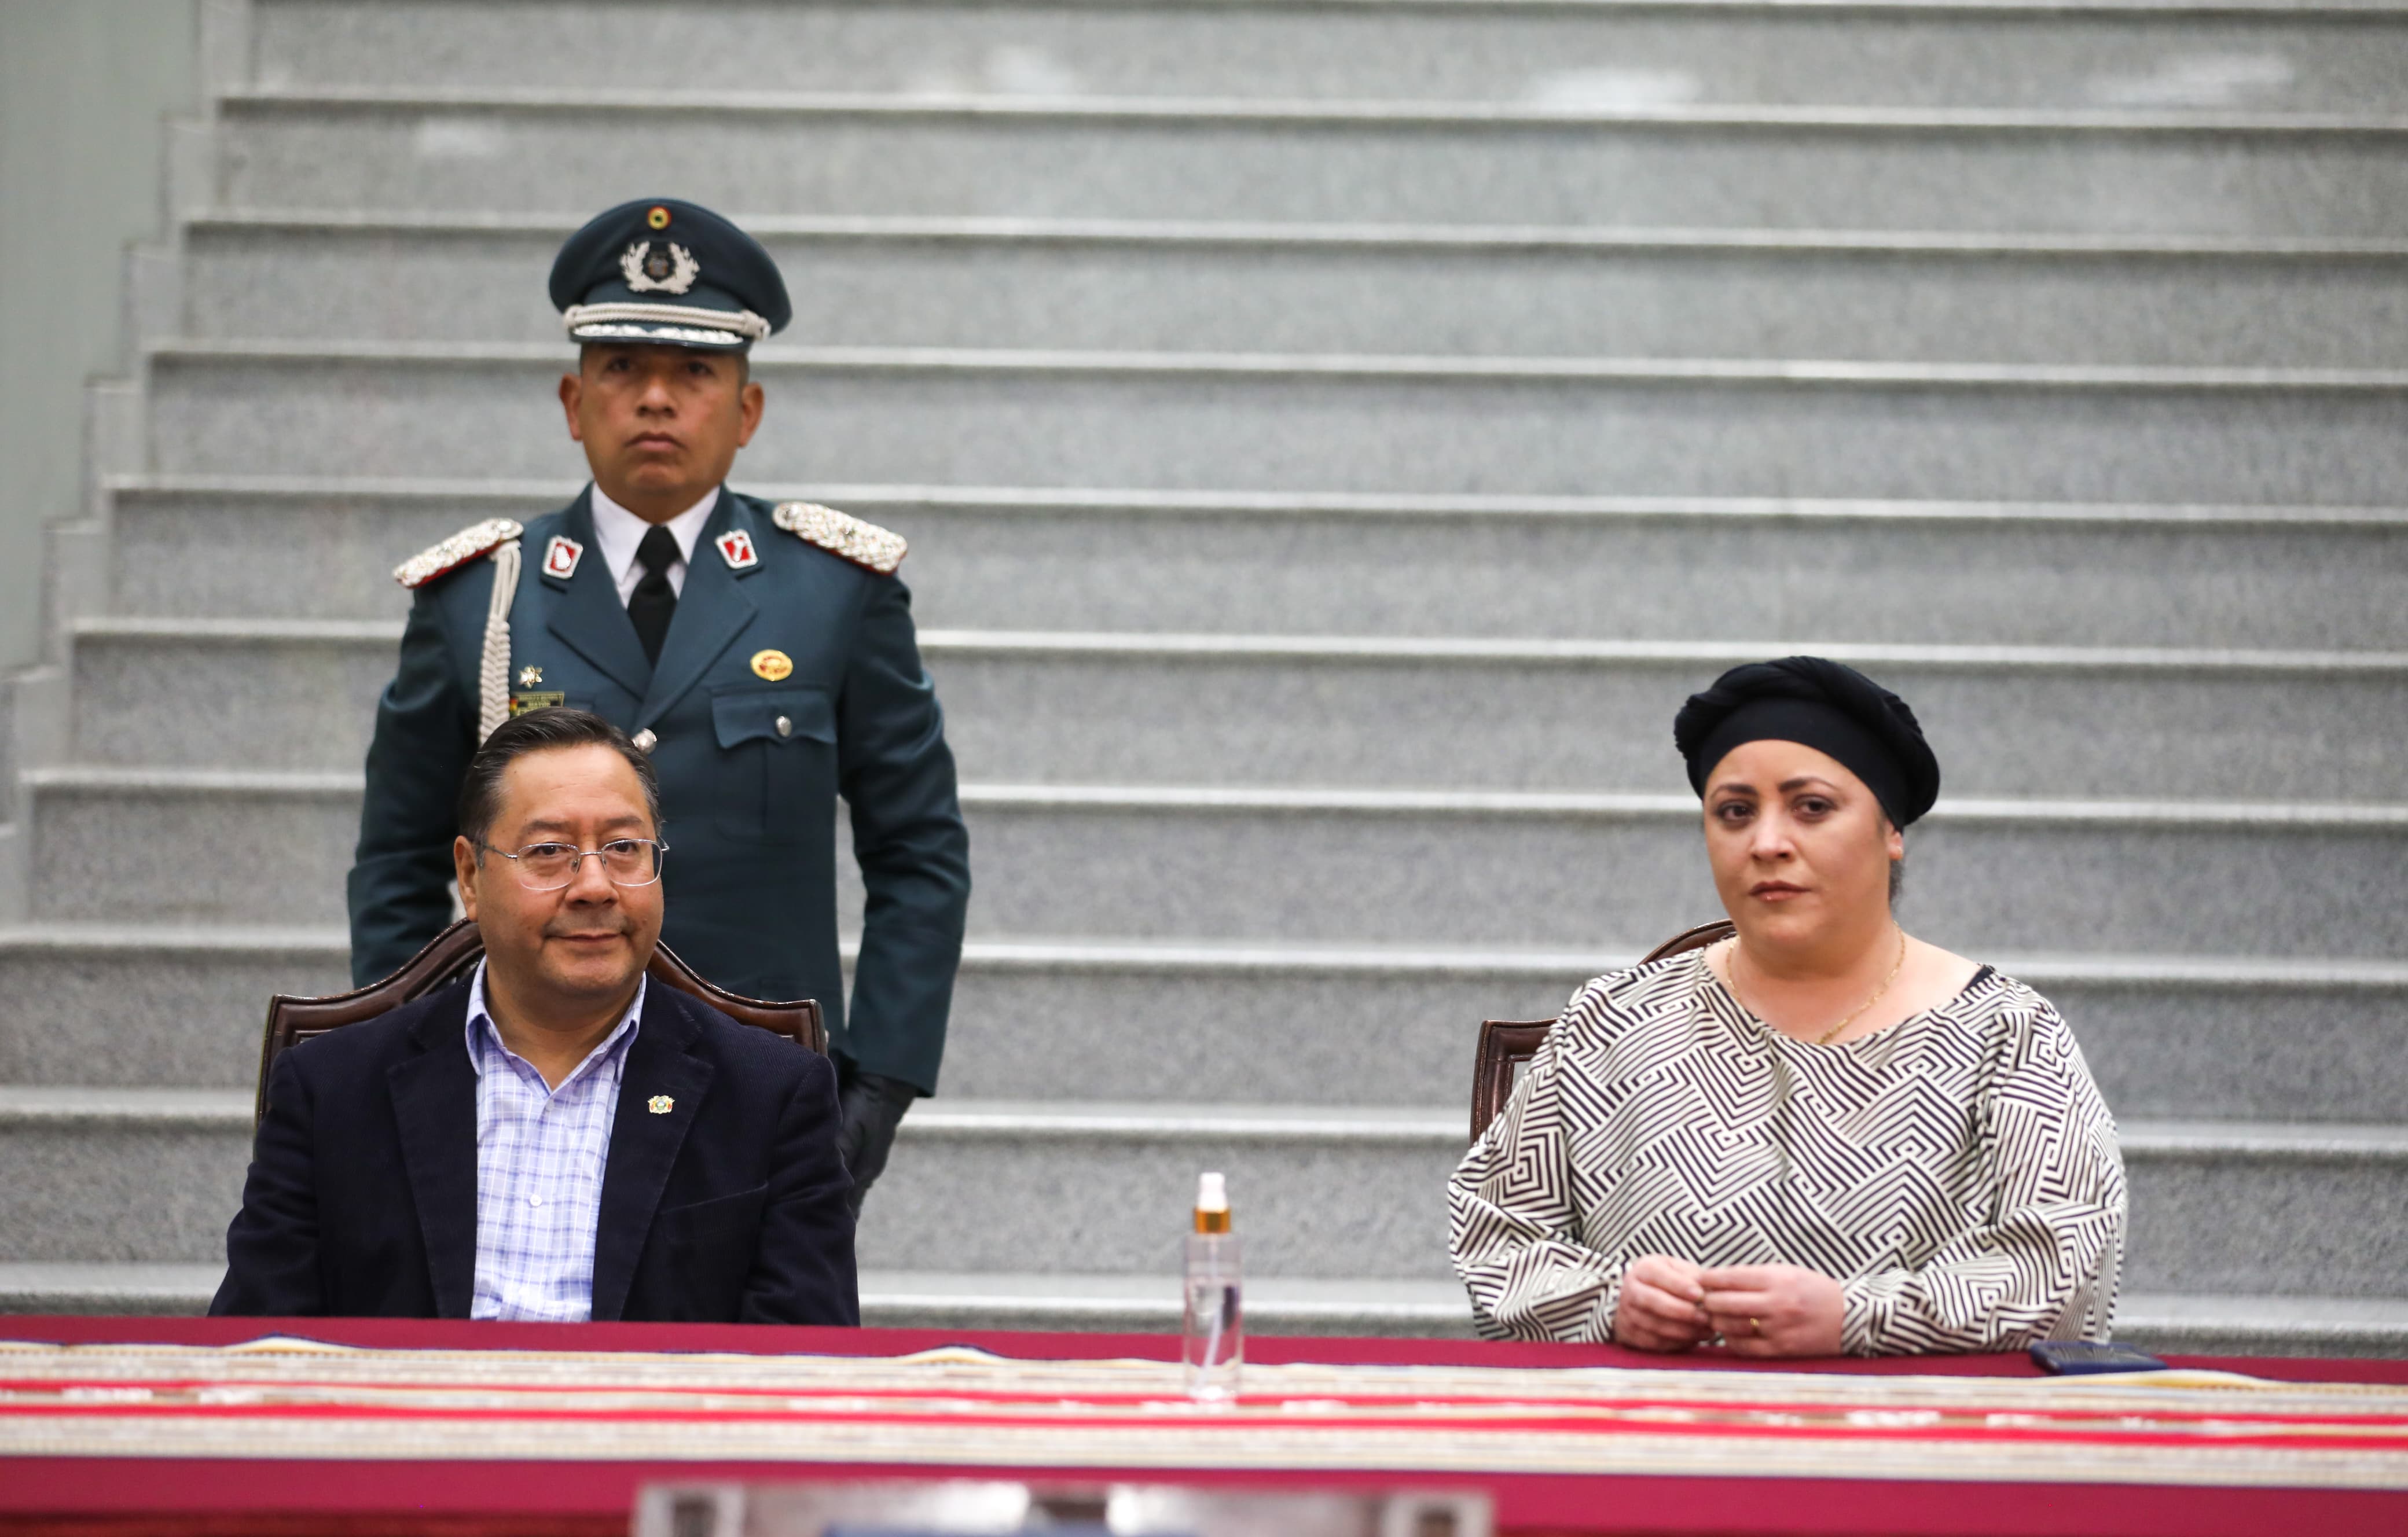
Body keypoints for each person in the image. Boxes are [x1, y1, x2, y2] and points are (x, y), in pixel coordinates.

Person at [347, 198, 971, 1214]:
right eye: (622, 368)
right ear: (573, 400)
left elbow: (919, 852)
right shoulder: (481, 599)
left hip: (765, 1089)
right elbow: (397, 856)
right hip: (526, 1081)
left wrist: (880, 1083)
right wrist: (414, 1049)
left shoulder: (833, 592)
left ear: (747, 411)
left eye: (694, 373)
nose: (655, 400)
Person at [1448, 657, 2126, 1356]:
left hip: (1912, 1416)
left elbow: (2064, 1274)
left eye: (1811, 807)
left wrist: (1858, 1318)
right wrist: (1609, 1303)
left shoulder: (2003, 1033)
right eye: (1734, 812)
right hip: (1655, 1412)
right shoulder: (1615, 1020)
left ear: (1890, 830)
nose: (1766, 843)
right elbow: (1496, 1234)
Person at [216, 708, 857, 1322]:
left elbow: (806, 1358)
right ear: (471, 877)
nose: (595, 886)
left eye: (624, 847)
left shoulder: (770, 1095)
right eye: (549, 851)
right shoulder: (331, 1090)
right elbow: (255, 1345)